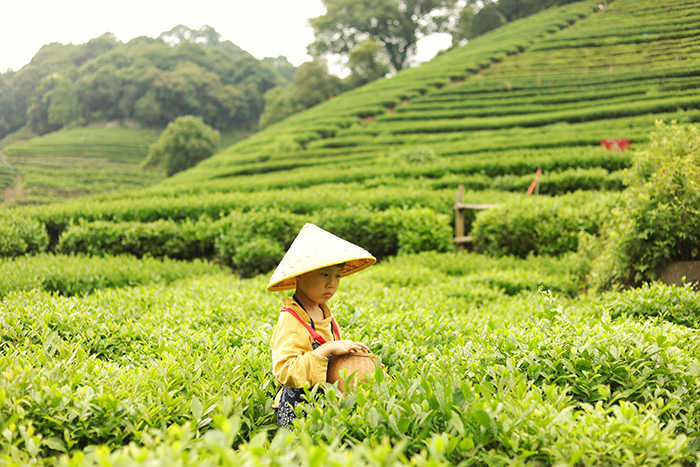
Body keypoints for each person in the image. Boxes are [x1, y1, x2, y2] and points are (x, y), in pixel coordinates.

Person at [267, 223, 376, 428]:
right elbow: (285, 370)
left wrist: (365, 366)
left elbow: (335, 364)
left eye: (337, 275)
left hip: (324, 407)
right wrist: (328, 348)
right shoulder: (291, 318)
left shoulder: (324, 313)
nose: (332, 284)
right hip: (299, 413)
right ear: (301, 274)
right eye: (325, 275)